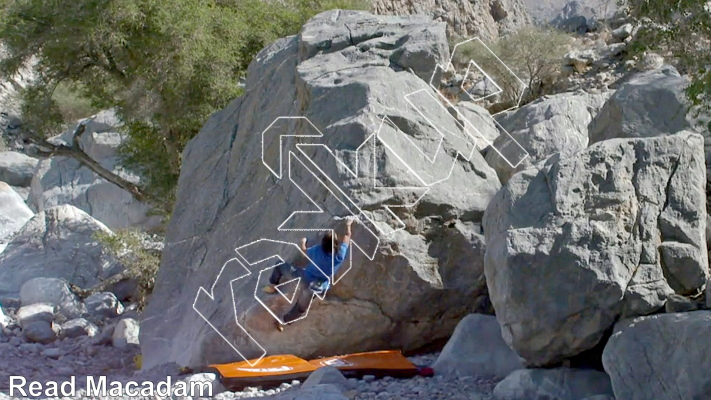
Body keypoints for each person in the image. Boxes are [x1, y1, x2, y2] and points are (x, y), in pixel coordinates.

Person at [264, 218, 354, 330]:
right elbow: (347, 236)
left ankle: (272, 286)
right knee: (301, 308)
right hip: (317, 287)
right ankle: (282, 322)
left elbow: (303, 252)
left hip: (304, 277)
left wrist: (303, 242)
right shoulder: (339, 255)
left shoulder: (318, 250)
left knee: (280, 265)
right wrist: (348, 224)